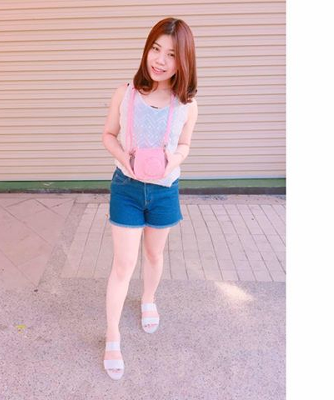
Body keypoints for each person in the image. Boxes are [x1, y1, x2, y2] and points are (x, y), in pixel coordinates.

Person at [101, 17, 198, 380]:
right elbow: (108, 134)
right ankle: (112, 335)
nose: (160, 59)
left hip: (164, 190)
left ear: (183, 61)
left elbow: (185, 144)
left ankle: (148, 300)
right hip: (126, 187)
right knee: (123, 265)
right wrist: (123, 155)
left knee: (154, 254)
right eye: (156, 49)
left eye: (171, 54)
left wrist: (176, 158)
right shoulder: (125, 93)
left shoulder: (187, 104)